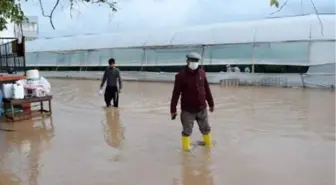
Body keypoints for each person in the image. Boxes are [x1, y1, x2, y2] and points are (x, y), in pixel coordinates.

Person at [170, 52, 214, 151]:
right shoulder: (180, 76)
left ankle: (209, 148)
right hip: (187, 110)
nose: (194, 63)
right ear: (187, 61)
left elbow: (207, 89)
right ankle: (186, 152)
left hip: (202, 108)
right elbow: (175, 94)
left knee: (206, 129)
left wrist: (211, 104)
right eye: (192, 60)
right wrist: (173, 110)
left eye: (196, 61)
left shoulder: (202, 73)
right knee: (187, 131)